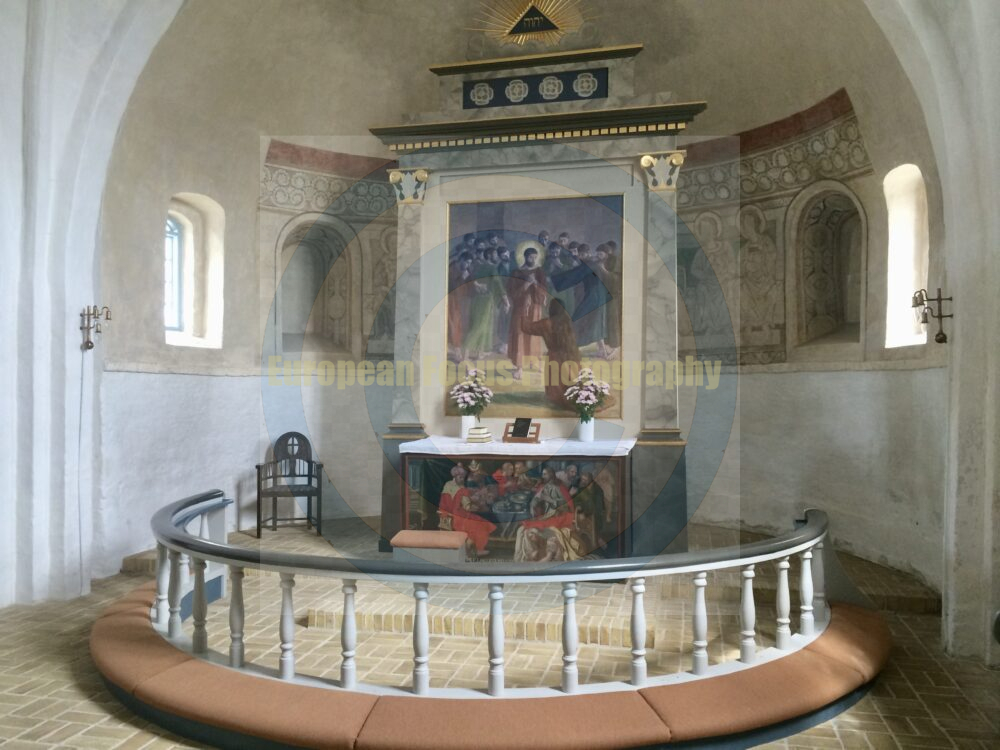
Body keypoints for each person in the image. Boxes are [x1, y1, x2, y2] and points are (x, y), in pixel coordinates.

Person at [507, 247, 547, 379]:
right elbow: (512, 292)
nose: (533, 259)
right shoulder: (516, 272)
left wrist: (535, 283)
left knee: (534, 334)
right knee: (520, 333)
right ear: (525, 257)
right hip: (520, 308)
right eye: (531, 257)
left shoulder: (539, 271)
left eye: (535, 257)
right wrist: (525, 285)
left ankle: (534, 362)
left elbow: (544, 291)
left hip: (535, 308)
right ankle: (519, 367)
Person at [438, 465, 496, 555]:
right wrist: (476, 506)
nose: (462, 479)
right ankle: (478, 549)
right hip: (459, 518)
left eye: (463, 477)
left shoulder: (448, 484)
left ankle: (472, 548)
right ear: (455, 476)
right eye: (460, 477)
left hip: (448, 516)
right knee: (481, 525)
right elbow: (467, 506)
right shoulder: (461, 489)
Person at [463, 247, 509, 357]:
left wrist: (477, 285)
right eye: (495, 254)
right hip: (485, 300)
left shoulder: (478, 266)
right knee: (480, 326)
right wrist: (506, 302)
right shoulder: (491, 268)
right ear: (489, 255)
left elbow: (471, 279)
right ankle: (465, 351)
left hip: (477, 299)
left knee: (483, 325)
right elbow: (499, 286)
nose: (497, 257)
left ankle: (479, 352)